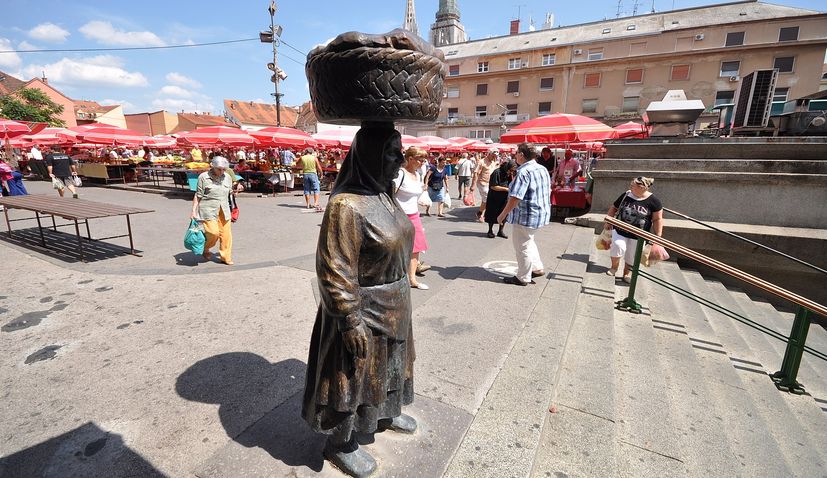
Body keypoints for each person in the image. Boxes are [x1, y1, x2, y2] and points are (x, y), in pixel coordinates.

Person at [303, 124, 416, 474]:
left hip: (395, 301)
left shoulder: (384, 195)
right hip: (363, 308)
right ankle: (340, 442)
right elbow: (334, 268)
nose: (400, 158)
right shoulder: (346, 206)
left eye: (399, 151)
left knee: (392, 366)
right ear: (368, 155)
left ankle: (383, 414)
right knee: (351, 378)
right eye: (391, 152)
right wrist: (349, 318)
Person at [497, 143, 552, 286]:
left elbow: (516, 197)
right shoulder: (541, 168)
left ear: (521, 155)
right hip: (539, 213)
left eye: (517, 153)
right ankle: (537, 268)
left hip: (526, 214)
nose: (515, 156)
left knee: (522, 246)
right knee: (529, 241)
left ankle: (523, 276)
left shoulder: (524, 171)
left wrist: (503, 214)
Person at [604, 176, 663, 283]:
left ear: (643, 188)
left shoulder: (654, 201)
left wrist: (658, 235)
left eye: (633, 186)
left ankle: (627, 273)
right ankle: (614, 267)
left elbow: (657, 219)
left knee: (632, 256)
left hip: (639, 235)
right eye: (631, 185)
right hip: (620, 229)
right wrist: (609, 221)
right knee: (617, 246)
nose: (631, 187)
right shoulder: (626, 195)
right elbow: (614, 207)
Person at [191, 156, 242, 265]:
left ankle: (225, 257)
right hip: (208, 209)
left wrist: (236, 190)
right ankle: (205, 248)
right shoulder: (203, 177)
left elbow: (229, 192)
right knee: (213, 233)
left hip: (224, 209)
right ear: (212, 166)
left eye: (224, 169)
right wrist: (194, 211)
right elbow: (198, 195)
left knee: (226, 235)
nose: (221, 171)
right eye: (219, 169)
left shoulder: (227, 177)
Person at [394, 147, 431, 290]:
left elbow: (416, 193)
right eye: (420, 160)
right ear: (410, 159)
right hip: (399, 216)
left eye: (424, 160)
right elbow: (391, 195)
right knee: (397, 248)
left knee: (416, 247)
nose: (423, 163)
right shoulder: (400, 174)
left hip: (414, 215)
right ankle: (396, 276)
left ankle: (412, 279)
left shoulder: (418, 174)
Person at [484, 159, 516, 239]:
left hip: (504, 198)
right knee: (492, 214)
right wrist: (506, 189)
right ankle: (490, 231)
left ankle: (500, 231)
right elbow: (493, 186)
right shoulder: (497, 172)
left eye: (512, 171)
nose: (511, 172)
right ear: (507, 167)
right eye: (510, 170)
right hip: (494, 197)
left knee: (504, 214)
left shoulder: (509, 174)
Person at [471, 148, 500, 222]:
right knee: (487, 199)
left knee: (486, 199)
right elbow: (476, 173)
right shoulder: (481, 162)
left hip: (491, 183)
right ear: (489, 154)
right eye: (493, 155)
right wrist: (473, 185)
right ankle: (483, 215)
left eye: (496, 155)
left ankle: (480, 213)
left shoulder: (494, 162)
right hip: (482, 183)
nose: (495, 157)